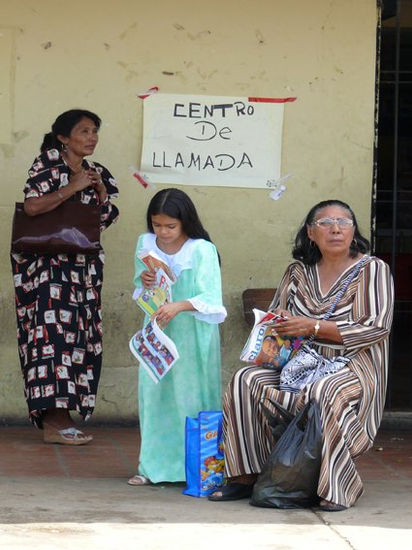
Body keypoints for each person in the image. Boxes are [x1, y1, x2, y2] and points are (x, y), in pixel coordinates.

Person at [209, 199, 394, 511]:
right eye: (325, 223)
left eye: (344, 222)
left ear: (353, 231)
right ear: (311, 232)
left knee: (325, 390)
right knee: (245, 380)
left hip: (351, 364)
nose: (335, 228)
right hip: (299, 364)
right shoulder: (297, 272)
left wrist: (314, 327)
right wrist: (280, 320)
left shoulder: (372, 270)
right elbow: (277, 316)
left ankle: (335, 487)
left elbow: (375, 328)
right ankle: (245, 476)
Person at [11, 109, 119, 445]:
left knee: (79, 342)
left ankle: (66, 415)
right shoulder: (48, 163)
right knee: (49, 342)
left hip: (82, 272)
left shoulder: (97, 171)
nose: (91, 137)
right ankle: (53, 421)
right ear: (63, 137)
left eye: (95, 131)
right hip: (45, 271)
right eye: (84, 131)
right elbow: (31, 207)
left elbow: (104, 218)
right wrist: (72, 188)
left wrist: (100, 192)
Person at [128, 188, 227, 485]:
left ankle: (199, 469)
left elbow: (211, 296)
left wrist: (180, 306)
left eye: (170, 226)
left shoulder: (201, 250)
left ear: (185, 222)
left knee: (193, 397)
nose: (163, 232)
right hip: (157, 330)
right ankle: (151, 467)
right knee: (154, 396)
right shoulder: (145, 245)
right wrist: (144, 280)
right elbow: (140, 286)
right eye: (157, 225)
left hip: (193, 333)